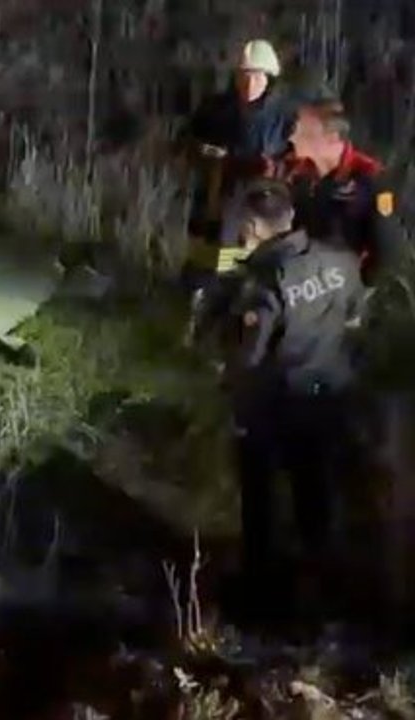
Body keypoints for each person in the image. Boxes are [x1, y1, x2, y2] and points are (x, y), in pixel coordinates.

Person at [214, 180, 367, 633]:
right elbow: (356, 320)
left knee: (261, 503)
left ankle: (261, 600)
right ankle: (327, 597)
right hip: (332, 397)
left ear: (251, 226)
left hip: (280, 407)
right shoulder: (339, 261)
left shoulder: (263, 283)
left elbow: (249, 358)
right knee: (318, 497)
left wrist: (234, 397)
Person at [180, 40, 295, 279]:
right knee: (209, 257)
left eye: (257, 77)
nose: (249, 84)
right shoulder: (216, 109)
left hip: (264, 202)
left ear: (269, 78)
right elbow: (186, 142)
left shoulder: (285, 114)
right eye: (244, 76)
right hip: (217, 193)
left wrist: (274, 168)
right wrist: (205, 152)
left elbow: (296, 157)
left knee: (255, 262)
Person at [276, 97, 405, 287]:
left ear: (332, 137)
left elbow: (388, 246)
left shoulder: (373, 178)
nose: (292, 138)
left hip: (341, 285)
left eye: (304, 133)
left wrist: (360, 286)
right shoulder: (294, 171)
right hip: (300, 278)